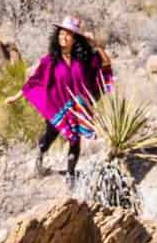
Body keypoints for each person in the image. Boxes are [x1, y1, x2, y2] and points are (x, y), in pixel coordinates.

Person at [7, 16, 113, 184]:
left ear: (75, 39)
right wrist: (16, 96)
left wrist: (96, 45)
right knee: (50, 135)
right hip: (58, 106)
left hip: (78, 108)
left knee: (75, 140)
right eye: (61, 34)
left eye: (68, 35)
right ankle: (39, 161)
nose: (63, 37)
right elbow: (35, 80)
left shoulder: (85, 59)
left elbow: (106, 65)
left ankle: (70, 175)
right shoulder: (51, 60)